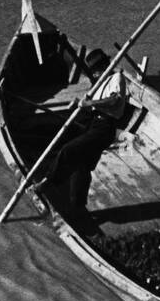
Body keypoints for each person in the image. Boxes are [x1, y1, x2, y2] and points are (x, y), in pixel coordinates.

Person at [38, 50, 131, 222]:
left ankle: (48, 184)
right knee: (82, 167)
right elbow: (92, 106)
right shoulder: (99, 83)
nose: (94, 74)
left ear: (104, 67)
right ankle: (78, 208)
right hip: (94, 124)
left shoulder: (116, 78)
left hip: (105, 128)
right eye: (93, 71)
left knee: (68, 150)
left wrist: (90, 103)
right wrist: (79, 105)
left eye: (96, 70)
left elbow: (114, 100)